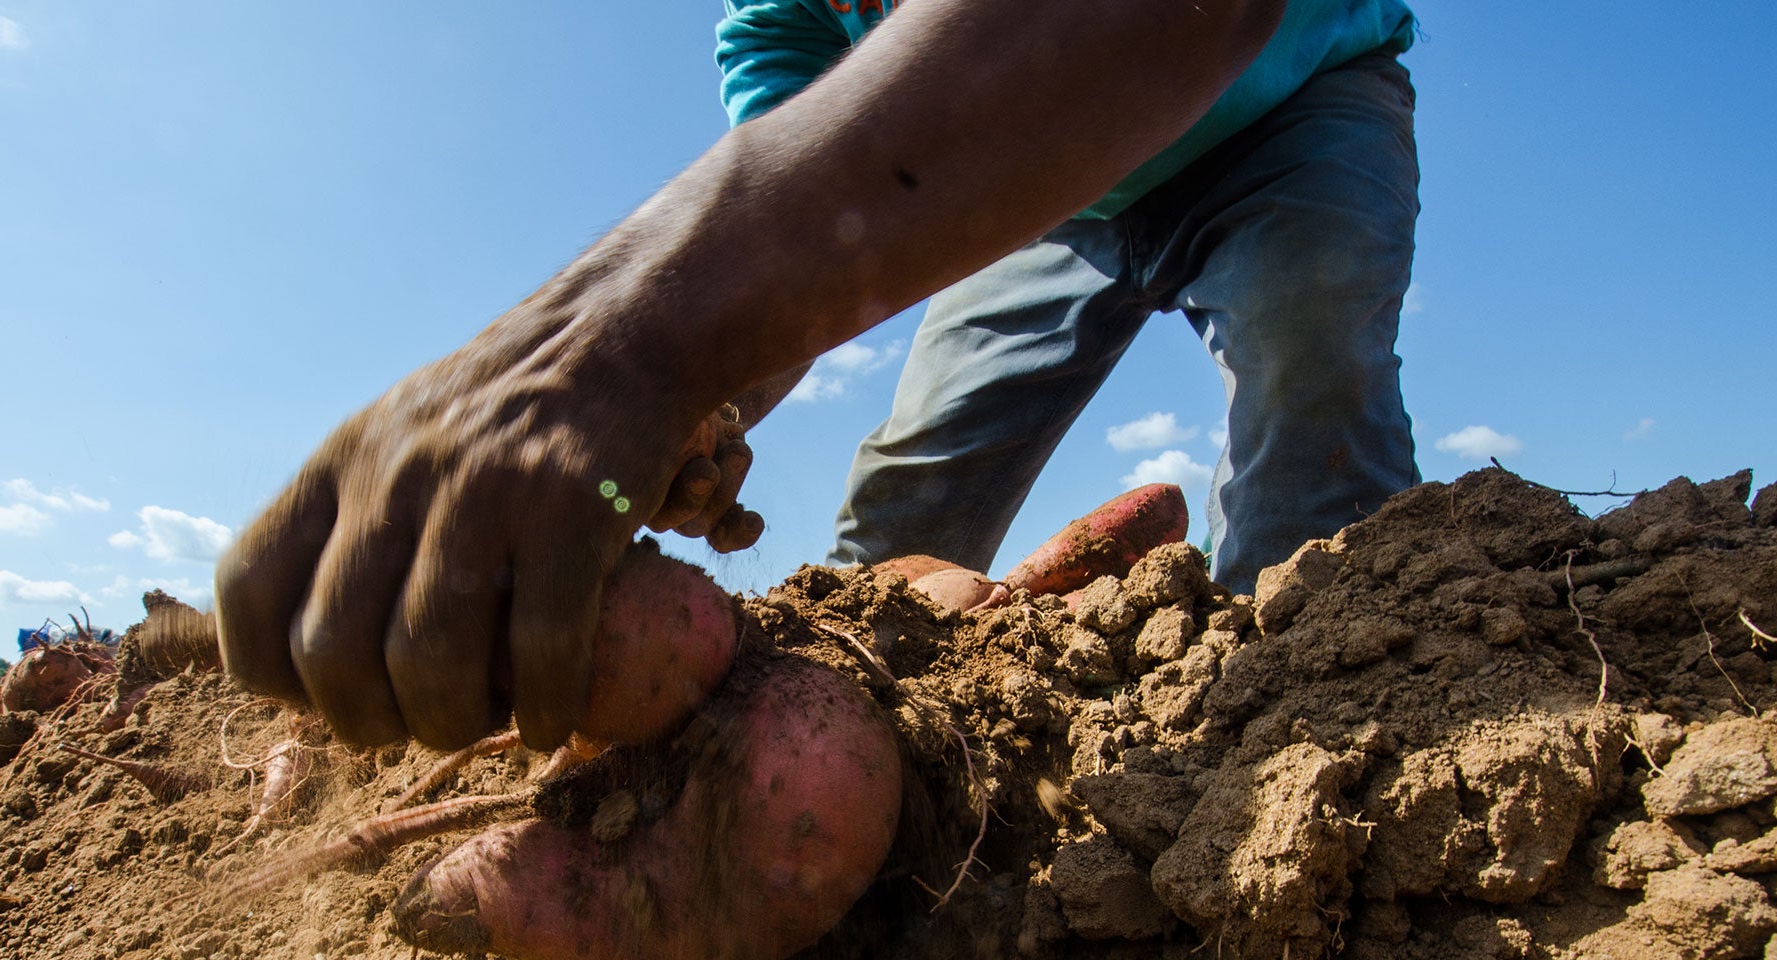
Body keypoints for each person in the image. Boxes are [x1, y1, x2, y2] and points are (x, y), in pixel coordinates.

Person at [216, 0, 1417, 756]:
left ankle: (1336, 739)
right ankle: (817, 743)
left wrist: (610, 347)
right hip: (1054, 198)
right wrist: (700, 399)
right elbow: (793, 240)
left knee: (1312, 382)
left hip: (1288, 104)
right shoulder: (781, 13)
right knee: (905, 495)